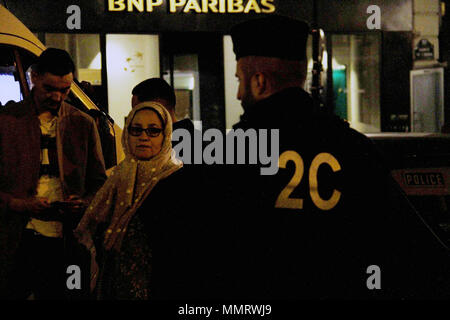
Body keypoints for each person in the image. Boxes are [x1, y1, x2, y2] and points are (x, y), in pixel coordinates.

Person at [201, 15, 450, 299]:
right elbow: (408, 247)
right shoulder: (352, 147)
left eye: (239, 80)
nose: (237, 93)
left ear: (259, 81)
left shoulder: (229, 154)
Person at [0, 48, 107, 299]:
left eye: (65, 90)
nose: (58, 97)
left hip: (66, 240)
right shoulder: (7, 121)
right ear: (33, 77)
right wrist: (19, 204)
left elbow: (99, 183)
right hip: (17, 239)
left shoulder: (83, 123)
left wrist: (84, 202)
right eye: (50, 88)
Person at [74, 102, 184, 300]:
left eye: (153, 131)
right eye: (136, 130)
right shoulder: (115, 178)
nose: (143, 137)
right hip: (114, 281)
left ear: (165, 135)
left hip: (158, 284)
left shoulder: (175, 180)